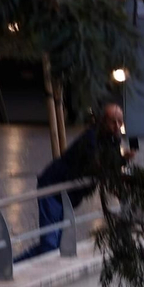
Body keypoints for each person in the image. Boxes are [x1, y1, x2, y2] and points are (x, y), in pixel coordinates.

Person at [17, 103, 131, 261]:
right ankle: (14, 265)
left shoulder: (112, 140)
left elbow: (108, 167)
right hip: (53, 189)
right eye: (113, 121)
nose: (117, 126)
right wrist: (123, 160)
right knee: (50, 245)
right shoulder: (91, 138)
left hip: (66, 196)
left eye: (120, 121)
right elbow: (99, 166)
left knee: (53, 245)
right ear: (104, 121)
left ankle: (16, 265)